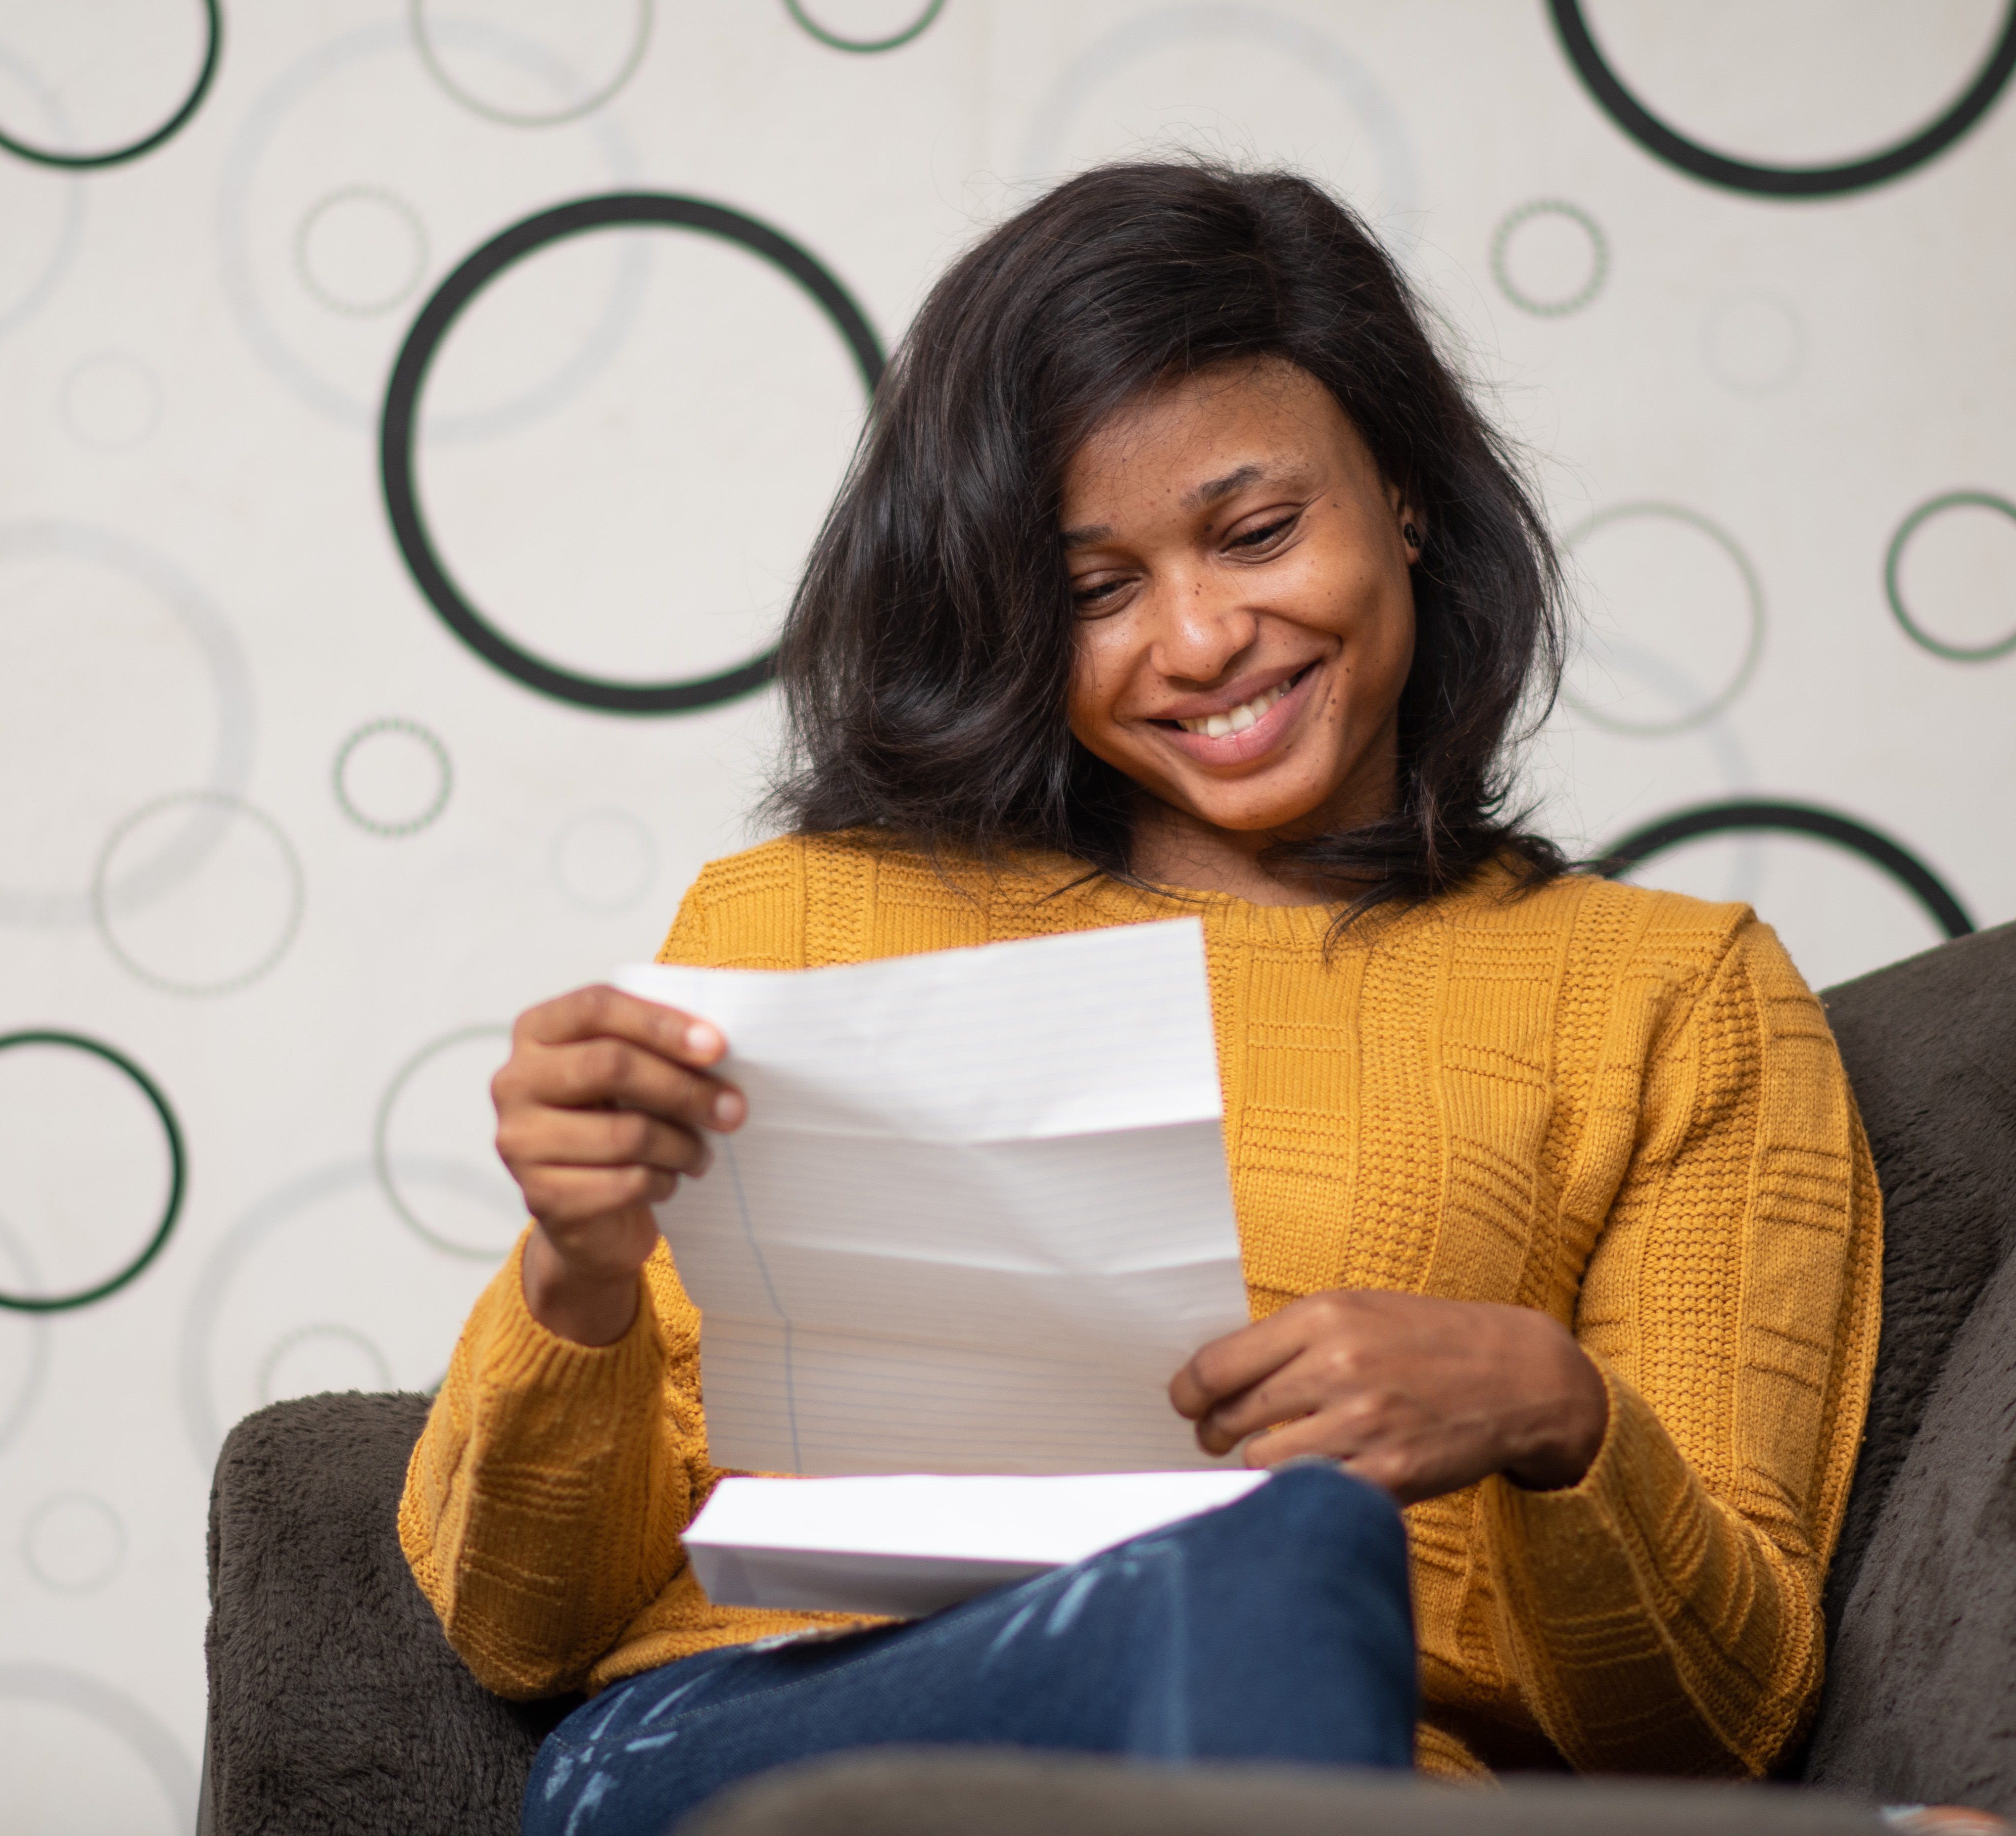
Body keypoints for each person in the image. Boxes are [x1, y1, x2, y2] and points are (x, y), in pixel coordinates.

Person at [400, 160, 1881, 1835]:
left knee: (1287, 1587)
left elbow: (1718, 1721)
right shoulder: (798, 922)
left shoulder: (1670, 998)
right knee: (1283, 1548)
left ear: (1403, 488)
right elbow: (515, 1626)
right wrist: (578, 1271)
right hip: (773, 1745)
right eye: (1095, 591)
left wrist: (1558, 1415)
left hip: (1353, 1778)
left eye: (1258, 534)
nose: (1196, 638)